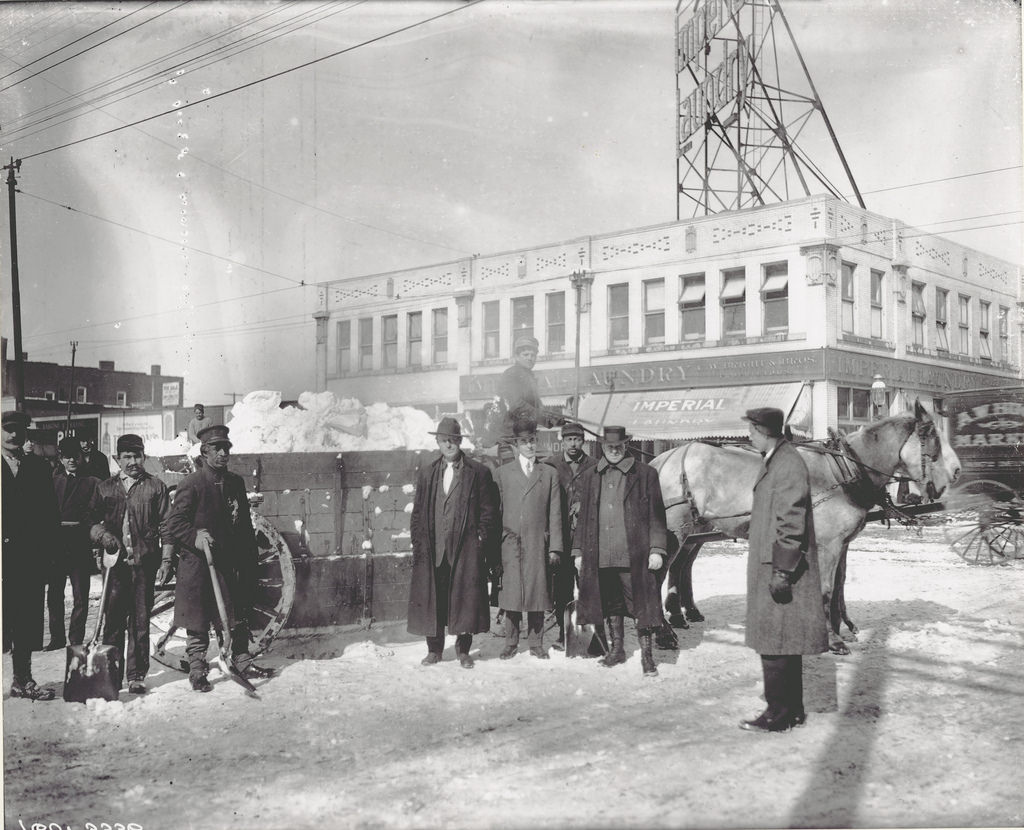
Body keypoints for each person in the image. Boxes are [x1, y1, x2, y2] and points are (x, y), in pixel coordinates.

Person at [739, 407, 828, 732]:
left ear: (764, 431)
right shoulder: (779, 459)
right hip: (773, 563)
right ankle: (792, 710)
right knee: (783, 641)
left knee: (773, 641)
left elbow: (791, 520)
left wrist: (782, 571)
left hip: (779, 567)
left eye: (751, 430)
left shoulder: (786, 464)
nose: (748, 436)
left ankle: (777, 713)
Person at [162, 424, 270, 692]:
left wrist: (249, 556)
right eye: (216, 448)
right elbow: (174, 523)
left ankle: (242, 660)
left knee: (235, 614)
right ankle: (198, 670)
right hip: (198, 564)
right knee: (197, 619)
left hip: (228, 563)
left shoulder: (235, 482)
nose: (223, 453)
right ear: (204, 452)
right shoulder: (192, 484)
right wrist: (195, 536)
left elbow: (243, 523)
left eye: (226, 448)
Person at [571, 425, 668, 678]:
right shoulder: (592, 475)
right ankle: (616, 650)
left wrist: (657, 549)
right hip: (601, 553)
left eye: (619, 446)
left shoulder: (646, 474)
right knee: (611, 603)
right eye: (609, 446)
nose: (614, 451)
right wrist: (579, 551)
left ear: (625, 446)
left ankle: (647, 657)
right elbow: (584, 519)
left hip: (634, 554)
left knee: (642, 605)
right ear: (602, 447)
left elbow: (657, 515)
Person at [407, 416, 499, 669]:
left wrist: (480, 540)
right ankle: (434, 650)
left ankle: (463, 651)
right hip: (434, 549)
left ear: (460, 442)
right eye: (444, 440)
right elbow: (417, 513)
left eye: (453, 440)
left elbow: (489, 512)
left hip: (465, 549)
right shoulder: (428, 473)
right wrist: (419, 542)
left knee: (464, 599)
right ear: (437, 442)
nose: (449, 445)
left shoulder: (478, 472)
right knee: (433, 599)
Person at [89, 433, 173, 694]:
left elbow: (167, 525)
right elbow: (90, 522)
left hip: (144, 564)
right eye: (127, 456)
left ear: (144, 457)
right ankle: (111, 676)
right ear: (117, 459)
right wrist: (102, 535)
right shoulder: (104, 488)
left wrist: (167, 557)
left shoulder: (155, 487)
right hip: (115, 567)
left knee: (139, 621)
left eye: (137, 456)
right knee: (113, 621)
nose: (133, 461)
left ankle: (136, 675)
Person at [493, 417, 562, 660]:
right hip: (510, 543)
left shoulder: (549, 473)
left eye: (532, 440)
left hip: (537, 543)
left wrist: (555, 547)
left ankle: (536, 644)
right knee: (512, 594)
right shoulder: (502, 474)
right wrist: (496, 546)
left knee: (536, 593)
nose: (530, 445)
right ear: (516, 445)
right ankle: (511, 642)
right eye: (524, 442)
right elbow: (496, 512)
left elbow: (555, 513)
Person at [2, 409, 59, 700]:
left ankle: (22, 680)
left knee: (24, 621)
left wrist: (49, 557)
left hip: (28, 560)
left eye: (19, 430)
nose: (13, 435)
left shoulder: (38, 467)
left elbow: (49, 516)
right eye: (8, 429)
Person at [542, 421, 597, 650]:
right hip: (560, 538)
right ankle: (564, 635)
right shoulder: (550, 466)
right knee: (561, 589)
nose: (572, 444)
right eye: (568, 439)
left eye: (577, 439)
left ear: (583, 441)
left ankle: (591, 637)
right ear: (562, 442)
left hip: (586, 538)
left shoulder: (594, 466)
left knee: (588, 587)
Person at [45, 437, 102, 650]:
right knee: (55, 593)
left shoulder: (93, 482)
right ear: (60, 458)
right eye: (67, 456)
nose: (72, 460)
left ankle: (75, 638)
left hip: (79, 543)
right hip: (56, 544)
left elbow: (96, 512)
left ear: (81, 456)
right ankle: (56, 637)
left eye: (75, 455)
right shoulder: (52, 482)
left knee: (80, 594)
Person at [497, 335, 560, 433]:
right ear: (517, 357)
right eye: (526, 355)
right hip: (511, 433)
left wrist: (552, 418)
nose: (530, 358)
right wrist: (544, 418)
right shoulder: (512, 373)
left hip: (526, 433)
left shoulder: (529, 376)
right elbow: (516, 404)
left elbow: (536, 407)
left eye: (533, 355)